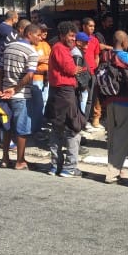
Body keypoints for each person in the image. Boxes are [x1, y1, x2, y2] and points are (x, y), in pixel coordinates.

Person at [0, 23, 41, 170]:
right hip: (20, 95)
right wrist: (15, 89)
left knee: (7, 127)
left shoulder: (8, 46)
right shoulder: (32, 52)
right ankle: (20, 161)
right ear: (29, 34)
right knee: (22, 129)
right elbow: (29, 75)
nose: (40, 38)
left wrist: (0, 89)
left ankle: (4, 158)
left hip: (5, 93)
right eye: (38, 35)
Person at [46, 21, 85, 178]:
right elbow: (70, 69)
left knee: (57, 129)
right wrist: (77, 70)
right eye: (70, 35)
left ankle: (56, 165)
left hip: (58, 92)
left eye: (74, 36)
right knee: (73, 129)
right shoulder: (60, 49)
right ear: (62, 35)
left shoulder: (59, 48)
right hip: (65, 93)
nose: (73, 39)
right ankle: (69, 166)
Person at [102, 30, 128, 184]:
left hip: (109, 100)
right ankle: (113, 172)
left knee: (112, 137)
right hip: (124, 101)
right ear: (124, 42)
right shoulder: (125, 57)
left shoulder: (106, 55)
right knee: (123, 137)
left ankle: (114, 167)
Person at [81, 17, 104, 131]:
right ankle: (81, 121)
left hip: (92, 72)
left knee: (91, 98)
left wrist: (95, 67)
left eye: (93, 26)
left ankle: (86, 120)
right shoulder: (79, 38)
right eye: (90, 26)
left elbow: (96, 56)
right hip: (82, 72)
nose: (92, 28)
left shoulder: (95, 40)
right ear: (84, 26)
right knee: (82, 97)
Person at [31, 23, 51, 133]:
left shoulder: (47, 44)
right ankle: (35, 128)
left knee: (44, 101)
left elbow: (51, 58)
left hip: (46, 77)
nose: (45, 32)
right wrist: (44, 58)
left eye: (46, 30)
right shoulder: (33, 44)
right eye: (43, 30)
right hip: (36, 77)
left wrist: (43, 59)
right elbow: (34, 59)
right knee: (37, 102)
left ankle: (39, 125)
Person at [0, 11, 18, 90]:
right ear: (13, 19)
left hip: (1, 60)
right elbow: (15, 38)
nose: (18, 20)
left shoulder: (3, 27)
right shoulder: (5, 28)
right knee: (0, 87)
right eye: (17, 18)